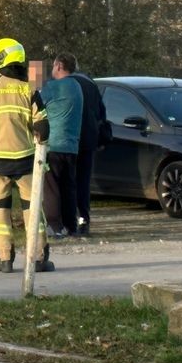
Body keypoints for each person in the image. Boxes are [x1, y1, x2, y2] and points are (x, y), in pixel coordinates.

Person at [0, 38, 53, 274]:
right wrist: (41, 151)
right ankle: (38, 259)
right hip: (27, 160)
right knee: (33, 209)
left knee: (0, 210)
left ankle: (5, 259)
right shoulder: (30, 88)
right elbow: (43, 126)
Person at [40, 53, 84, 239]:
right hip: (72, 146)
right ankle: (71, 226)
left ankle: (54, 225)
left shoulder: (52, 87)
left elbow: (34, 104)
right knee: (69, 187)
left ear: (58, 65)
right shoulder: (77, 87)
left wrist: (34, 79)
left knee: (52, 187)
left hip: (53, 145)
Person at [70, 63, 108, 236]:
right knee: (83, 181)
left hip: (69, 139)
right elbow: (101, 113)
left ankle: (69, 220)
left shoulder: (64, 84)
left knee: (68, 181)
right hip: (88, 138)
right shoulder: (90, 83)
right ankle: (84, 219)